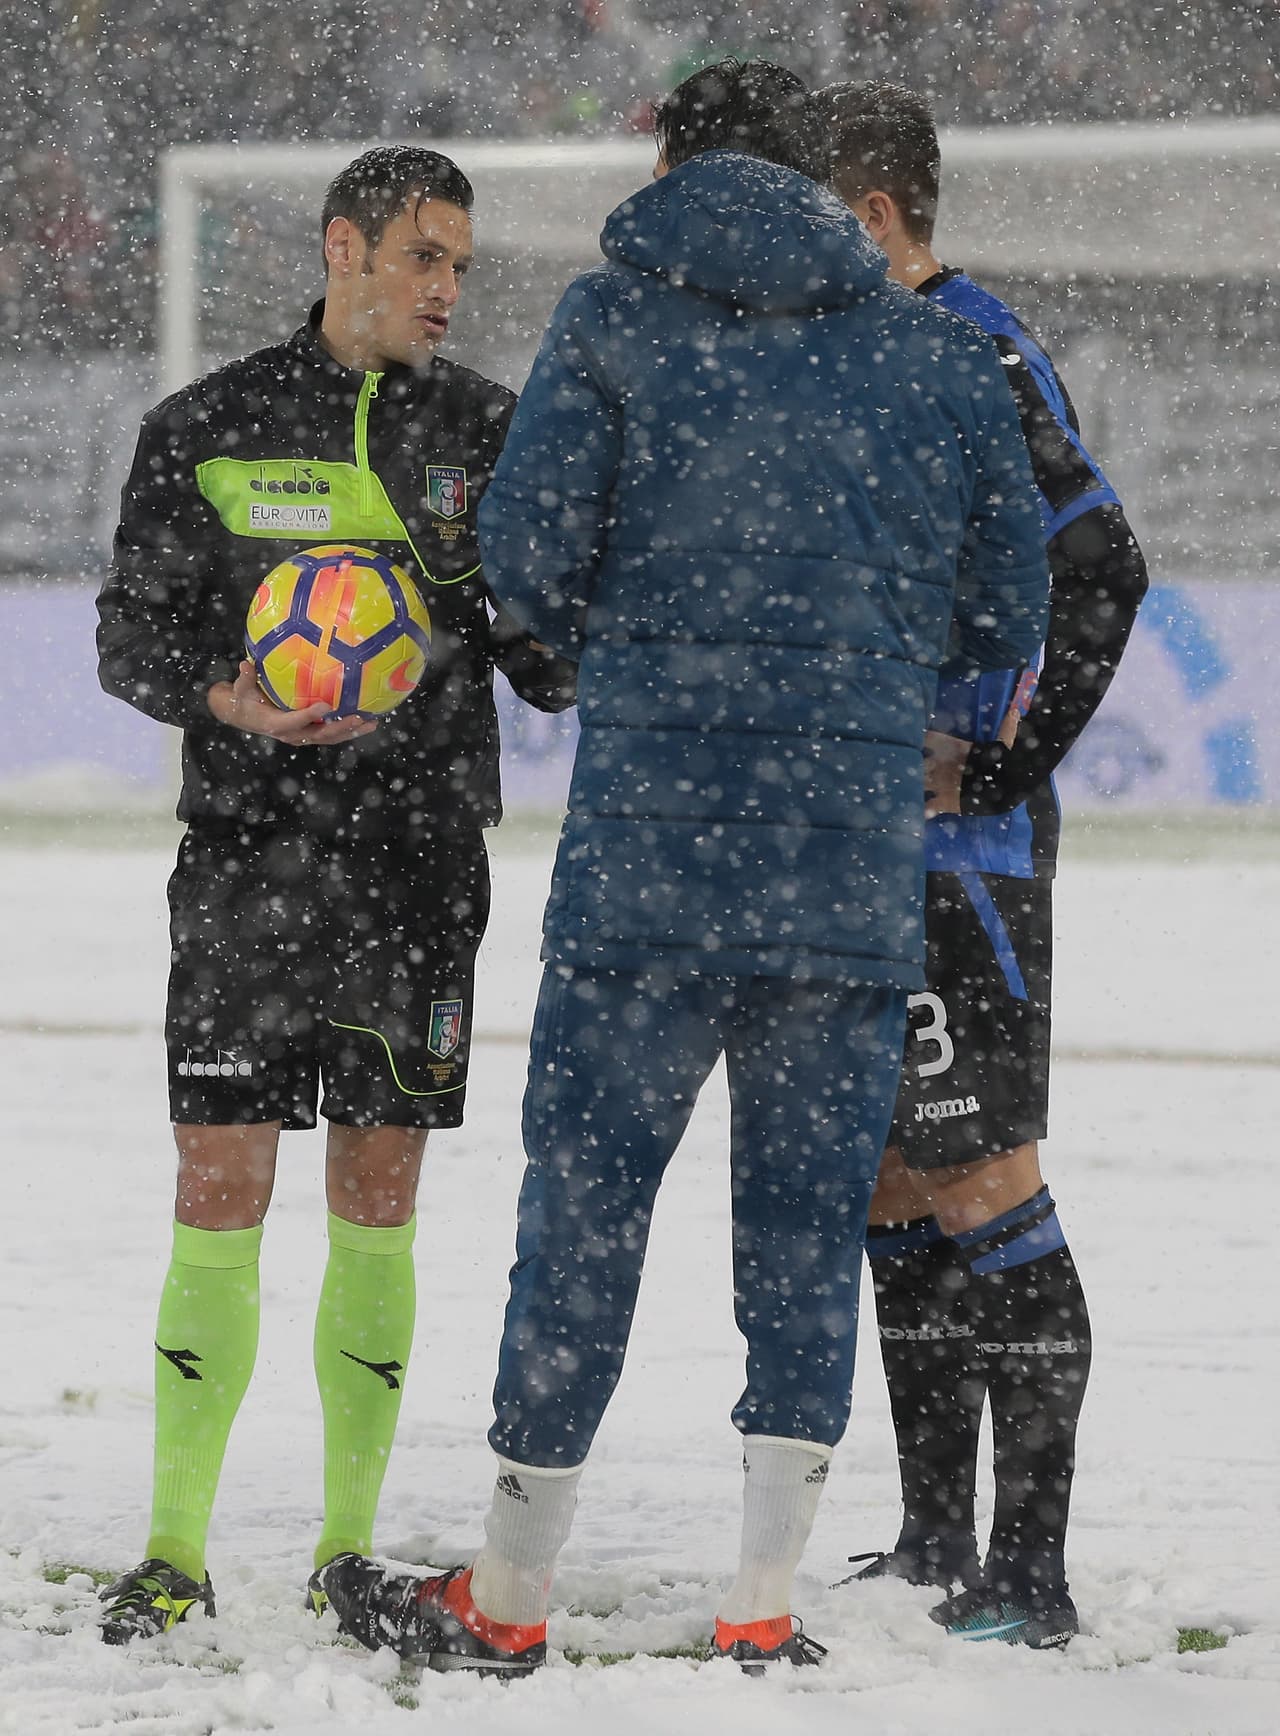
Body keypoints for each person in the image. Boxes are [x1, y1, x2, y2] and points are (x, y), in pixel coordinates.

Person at [311, 58, 1049, 1676]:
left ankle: (505, 1596)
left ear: (673, 161)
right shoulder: (934, 351)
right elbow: (1012, 605)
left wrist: (635, 650)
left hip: (646, 862)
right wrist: (864, 669)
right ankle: (762, 1599)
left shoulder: (615, 318)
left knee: (582, 1216)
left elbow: (519, 555)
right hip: (847, 867)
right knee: (804, 1231)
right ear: (815, 174)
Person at [93, 145, 576, 1644]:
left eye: (463, 268)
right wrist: (232, 703)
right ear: (344, 248)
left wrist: (490, 589)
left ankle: (345, 1546)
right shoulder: (208, 425)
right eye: (425, 257)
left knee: (379, 1197)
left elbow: (553, 666)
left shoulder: (491, 434)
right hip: (248, 861)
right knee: (218, 1182)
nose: (446, 290)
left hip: (423, 864)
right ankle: (175, 1545)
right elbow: (129, 639)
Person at [822, 79, 1150, 1648]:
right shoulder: (874, 352)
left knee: (986, 1180)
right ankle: (934, 1539)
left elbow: (1106, 558)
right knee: (895, 1180)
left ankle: (1037, 1574)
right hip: (883, 847)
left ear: (873, 217)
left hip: (968, 857)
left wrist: (1009, 761)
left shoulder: (969, 343)